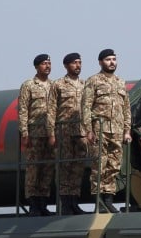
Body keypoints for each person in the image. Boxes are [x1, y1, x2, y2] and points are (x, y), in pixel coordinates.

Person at [80, 48, 131, 214]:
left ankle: (108, 200)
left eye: (114, 59)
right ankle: (98, 201)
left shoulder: (120, 82)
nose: (112, 62)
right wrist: (88, 130)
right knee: (99, 166)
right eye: (108, 59)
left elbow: (126, 109)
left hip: (116, 131)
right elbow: (86, 106)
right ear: (101, 62)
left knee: (113, 166)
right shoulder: (93, 81)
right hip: (99, 130)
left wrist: (127, 131)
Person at [48, 52, 88, 215]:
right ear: (66, 65)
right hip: (63, 131)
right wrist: (51, 133)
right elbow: (50, 110)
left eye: (79, 62)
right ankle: (65, 204)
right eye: (74, 63)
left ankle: (74, 202)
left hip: (80, 131)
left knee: (77, 167)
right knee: (65, 167)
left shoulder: (85, 85)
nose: (77, 65)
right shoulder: (58, 85)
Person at [17, 54, 54, 216]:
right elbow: (23, 110)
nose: (47, 66)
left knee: (47, 168)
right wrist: (24, 133)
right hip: (34, 133)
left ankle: (43, 203)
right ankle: (33, 204)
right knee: (34, 168)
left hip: (50, 133)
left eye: (49, 63)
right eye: (44, 64)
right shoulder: (29, 85)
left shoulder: (54, 86)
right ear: (37, 67)